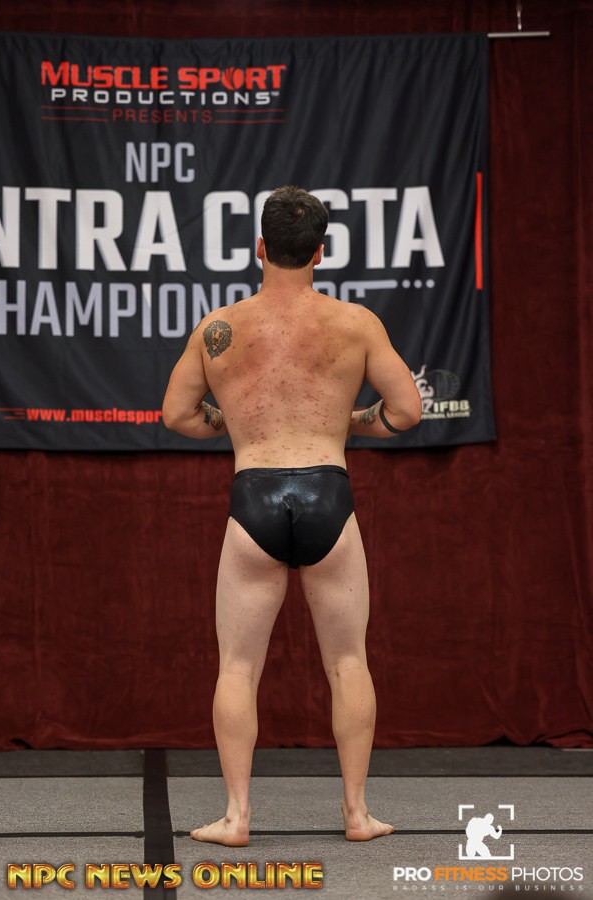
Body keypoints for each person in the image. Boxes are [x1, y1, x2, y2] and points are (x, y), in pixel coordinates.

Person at [162, 185, 422, 847]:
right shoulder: (355, 324)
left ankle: (236, 817)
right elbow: (407, 411)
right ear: (320, 252)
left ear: (259, 248)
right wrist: (350, 423)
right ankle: (357, 815)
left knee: (237, 669)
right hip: (327, 492)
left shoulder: (219, 328)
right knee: (348, 663)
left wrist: (233, 424)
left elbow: (177, 415)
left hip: (254, 493)